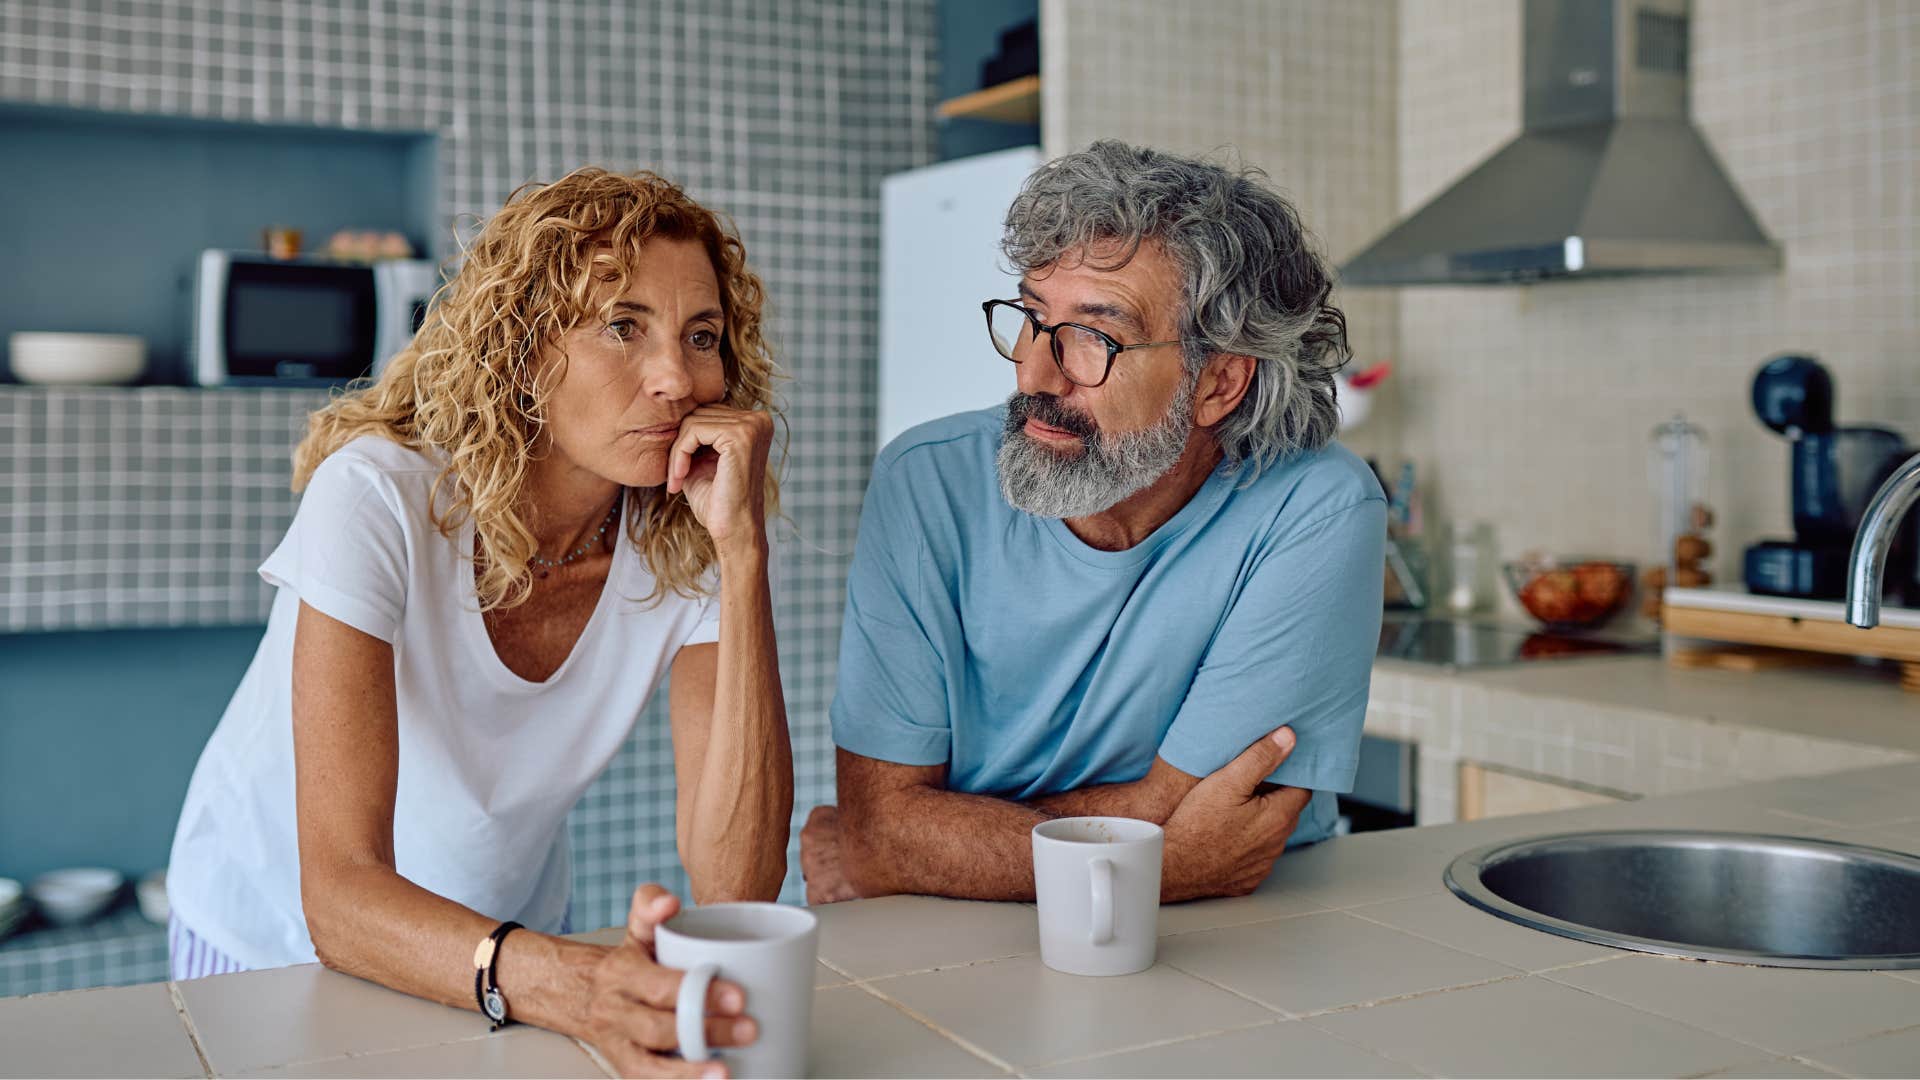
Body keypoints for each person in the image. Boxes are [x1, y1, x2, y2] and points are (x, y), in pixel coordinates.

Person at [166, 167, 788, 1077]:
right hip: (272, 942)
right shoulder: (377, 498)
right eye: (623, 326)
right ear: (525, 348)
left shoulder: (687, 532)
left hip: (509, 944)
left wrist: (743, 554)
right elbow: (337, 895)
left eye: (702, 337)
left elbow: (736, 887)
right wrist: (572, 981)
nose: (677, 379)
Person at [801, 141, 1386, 906]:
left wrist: (930, 841)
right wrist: (1167, 864)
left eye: (1095, 338)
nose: (1034, 374)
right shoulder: (926, 480)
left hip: (1237, 932)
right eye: (1033, 318)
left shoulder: (1316, 508)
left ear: (1218, 383)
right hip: (954, 932)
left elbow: (1210, 817)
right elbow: (882, 834)